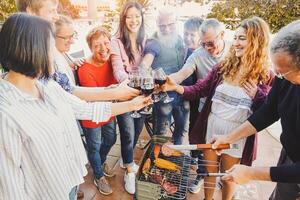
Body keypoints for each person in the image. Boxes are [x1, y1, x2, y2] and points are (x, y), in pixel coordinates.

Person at [0, 13, 151, 200]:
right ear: (30, 50)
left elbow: (86, 109)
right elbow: (10, 190)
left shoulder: (47, 86)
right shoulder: (5, 113)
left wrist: (133, 104)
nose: (56, 53)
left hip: (69, 185)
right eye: (50, 47)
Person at [162, 16, 274, 200]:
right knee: (208, 172)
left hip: (238, 134)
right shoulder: (223, 67)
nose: (236, 43)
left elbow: (268, 111)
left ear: (257, 41)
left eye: (242, 38)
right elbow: (200, 89)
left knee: (228, 177)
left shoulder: (265, 75)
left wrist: (257, 95)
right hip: (213, 128)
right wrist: (176, 87)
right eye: (236, 37)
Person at [212, 20, 300, 200]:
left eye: (283, 72)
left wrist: (252, 173)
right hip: (290, 154)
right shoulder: (284, 79)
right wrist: (228, 138)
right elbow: (269, 111)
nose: (276, 73)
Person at [110, 2, 147, 194]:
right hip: (125, 95)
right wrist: (135, 83)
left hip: (143, 97)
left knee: (138, 130)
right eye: (129, 16)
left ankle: (128, 161)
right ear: (123, 19)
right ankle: (130, 171)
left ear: (142, 17)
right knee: (127, 133)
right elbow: (117, 70)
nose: (134, 20)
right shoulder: (116, 41)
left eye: (137, 16)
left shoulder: (146, 39)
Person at [77, 27, 118, 195]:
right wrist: (116, 91)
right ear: (90, 48)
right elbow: (95, 97)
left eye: (106, 43)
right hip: (91, 113)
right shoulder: (84, 68)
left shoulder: (113, 61)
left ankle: (99, 162)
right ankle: (98, 175)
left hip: (109, 109)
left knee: (111, 138)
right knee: (94, 146)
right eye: (97, 45)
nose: (103, 48)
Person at [141, 6, 189, 145]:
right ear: (157, 25)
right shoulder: (153, 42)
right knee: (161, 133)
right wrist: (144, 72)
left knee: (182, 130)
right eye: (162, 26)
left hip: (183, 93)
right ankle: (156, 160)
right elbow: (145, 63)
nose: (167, 30)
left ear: (177, 22)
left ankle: (177, 156)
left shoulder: (180, 39)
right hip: (164, 96)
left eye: (170, 25)